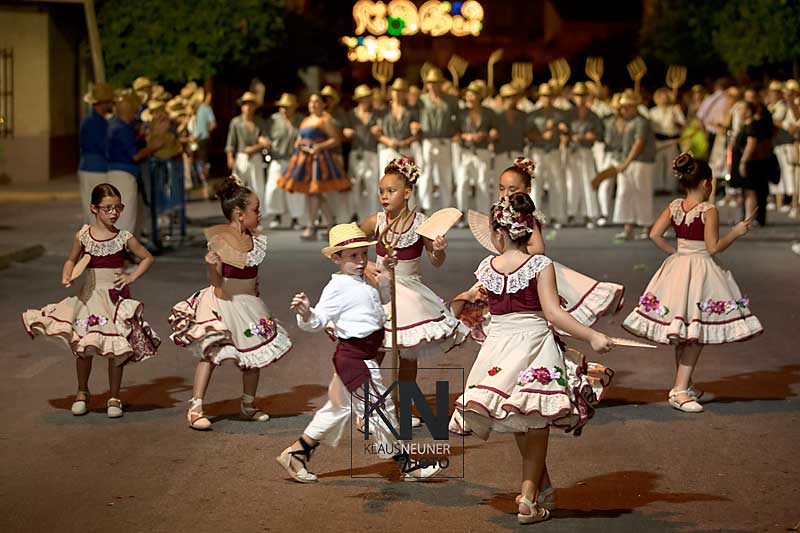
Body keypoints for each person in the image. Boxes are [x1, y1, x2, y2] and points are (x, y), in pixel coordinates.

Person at [450, 193, 614, 525]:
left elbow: (471, 305)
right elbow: (553, 313)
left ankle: (540, 487)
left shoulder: (487, 267)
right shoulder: (540, 265)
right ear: (528, 230)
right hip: (535, 344)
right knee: (534, 418)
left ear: (499, 233)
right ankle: (527, 498)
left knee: (518, 410)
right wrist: (592, 335)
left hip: (498, 346)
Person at [276, 223, 441, 483]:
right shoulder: (337, 287)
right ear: (336, 258)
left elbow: (380, 305)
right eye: (353, 256)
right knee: (381, 409)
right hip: (354, 360)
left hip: (363, 358)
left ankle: (296, 454)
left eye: (364, 254)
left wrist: (385, 274)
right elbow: (318, 320)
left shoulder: (362, 280)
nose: (361, 260)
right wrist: (306, 313)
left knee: (336, 410)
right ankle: (407, 465)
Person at [623, 154, 763, 412]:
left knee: (684, 330)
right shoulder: (709, 210)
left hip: (678, 268)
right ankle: (679, 390)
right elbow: (713, 247)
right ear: (707, 183)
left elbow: (654, 234)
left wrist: (676, 254)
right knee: (694, 333)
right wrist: (737, 232)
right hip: (700, 270)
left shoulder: (675, 205)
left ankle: (684, 384)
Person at [22, 183, 159, 418]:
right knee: (84, 348)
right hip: (89, 298)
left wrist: (130, 276)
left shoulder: (123, 237)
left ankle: (114, 396)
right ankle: (82, 392)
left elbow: (147, 257)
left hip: (114, 300)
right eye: (108, 208)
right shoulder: (83, 236)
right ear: (94, 208)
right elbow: (71, 259)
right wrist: (67, 273)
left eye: (118, 208)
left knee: (116, 348)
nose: (114, 213)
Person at [169, 177, 292, 430]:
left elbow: (253, 275)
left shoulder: (255, 240)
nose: (260, 214)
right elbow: (216, 281)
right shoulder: (221, 241)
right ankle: (195, 407)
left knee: (253, 355)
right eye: (256, 210)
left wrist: (256, 292)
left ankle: (248, 404)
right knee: (212, 353)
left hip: (248, 303)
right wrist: (210, 266)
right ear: (239, 214)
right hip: (223, 300)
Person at [361, 158, 469, 425]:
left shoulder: (422, 223)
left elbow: (436, 261)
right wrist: (366, 266)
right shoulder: (376, 221)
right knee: (375, 353)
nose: (384, 196)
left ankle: (402, 407)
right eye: (382, 191)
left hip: (410, 294)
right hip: (381, 292)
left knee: (408, 355)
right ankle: (368, 408)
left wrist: (439, 250)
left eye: (391, 191)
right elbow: (349, 245)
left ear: (407, 192)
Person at [278, 93, 351, 240]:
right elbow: (300, 137)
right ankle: (330, 225)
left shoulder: (325, 119)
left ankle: (312, 226)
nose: (313, 104)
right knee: (313, 193)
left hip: (319, 160)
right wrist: (299, 143)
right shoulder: (306, 120)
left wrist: (319, 146)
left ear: (323, 104)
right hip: (304, 158)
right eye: (311, 102)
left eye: (317, 102)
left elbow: (336, 139)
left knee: (314, 192)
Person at [108, 91, 161, 234]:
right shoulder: (123, 128)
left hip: (114, 172)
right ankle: (124, 246)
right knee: (126, 218)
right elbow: (135, 156)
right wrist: (152, 148)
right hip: (124, 175)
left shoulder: (113, 123)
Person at [613, 91, 657, 240]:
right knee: (625, 193)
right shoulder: (627, 122)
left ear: (634, 107)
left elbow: (639, 143)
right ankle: (628, 228)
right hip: (629, 161)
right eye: (622, 107)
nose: (624, 110)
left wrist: (626, 162)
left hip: (641, 162)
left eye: (627, 107)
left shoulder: (641, 121)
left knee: (642, 193)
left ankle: (646, 227)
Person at [418, 67, 460, 212]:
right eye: (431, 83)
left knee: (445, 174)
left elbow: (459, 117)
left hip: (444, 140)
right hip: (427, 140)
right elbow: (414, 117)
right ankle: (426, 207)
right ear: (427, 84)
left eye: (436, 82)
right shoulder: (421, 100)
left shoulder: (451, 100)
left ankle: (446, 208)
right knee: (426, 173)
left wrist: (456, 131)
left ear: (441, 84)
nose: (434, 85)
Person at [564, 82, 603, 227]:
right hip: (572, 151)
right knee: (572, 183)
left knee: (588, 182)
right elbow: (562, 130)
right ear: (574, 97)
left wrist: (588, 136)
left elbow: (599, 134)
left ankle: (590, 214)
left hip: (586, 151)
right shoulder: (568, 114)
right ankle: (571, 213)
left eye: (583, 95)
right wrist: (568, 135)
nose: (580, 98)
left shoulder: (593, 115)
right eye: (578, 95)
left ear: (587, 97)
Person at [528, 83, 567, 227]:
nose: (547, 98)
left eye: (550, 96)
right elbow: (527, 134)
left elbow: (566, 130)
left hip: (553, 151)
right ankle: (535, 218)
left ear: (554, 97)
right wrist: (541, 136)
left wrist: (560, 128)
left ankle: (558, 216)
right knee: (536, 185)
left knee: (556, 184)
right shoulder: (533, 114)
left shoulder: (560, 114)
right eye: (544, 96)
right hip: (537, 152)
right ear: (540, 97)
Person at [225, 91, 270, 218]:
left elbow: (266, 141)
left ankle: (257, 214)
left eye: (251, 104)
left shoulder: (259, 122)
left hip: (255, 157)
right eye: (245, 104)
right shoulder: (236, 122)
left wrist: (256, 146)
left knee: (257, 187)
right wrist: (230, 157)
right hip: (241, 156)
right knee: (238, 187)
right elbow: (231, 142)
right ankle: (237, 213)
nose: (248, 107)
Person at [731, 101, 776, 227]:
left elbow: (751, 143)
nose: (739, 112)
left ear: (748, 111)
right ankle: (748, 217)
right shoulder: (746, 125)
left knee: (751, 191)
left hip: (751, 163)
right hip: (747, 162)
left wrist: (743, 161)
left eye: (741, 109)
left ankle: (749, 218)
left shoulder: (752, 125)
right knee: (747, 192)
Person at [455, 81, 495, 216]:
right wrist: (466, 136)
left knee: (483, 183)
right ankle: (461, 214)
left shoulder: (488, 113)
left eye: (472, 94)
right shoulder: (461, 113)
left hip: (482, 151)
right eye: (467, 94)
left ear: (479, 97)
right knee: (462, 182)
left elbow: (494, 130)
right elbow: (454, 133)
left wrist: (486, 134)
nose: (469, 97)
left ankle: (482, 214)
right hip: (465, 151)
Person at [264, 93, 303, 229]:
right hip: (277, 158)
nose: (284, 110)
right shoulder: (273, 120)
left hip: (294, 159)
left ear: (294, 107)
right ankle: (277, 215)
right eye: (282, 107)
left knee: (294, 189)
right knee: (274, 187)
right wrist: (266, 142)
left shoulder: (300, 120)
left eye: (288, 107)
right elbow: (264, 135)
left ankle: (295, 218)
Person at [343, 85, 381, 222]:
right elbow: (344, 130)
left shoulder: (377, 114)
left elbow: (383, 128)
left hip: (371, 152)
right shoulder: (351, 114)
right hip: (356, 152)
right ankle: (353, 214)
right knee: (354, 185)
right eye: (363, 98)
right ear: (358, 99)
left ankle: (373, 217)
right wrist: (346, 132)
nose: (366, 100)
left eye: (367, 97)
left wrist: (379, 130)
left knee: (372, 185)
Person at [79, 83, 114, 223]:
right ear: (103, 103)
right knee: (95, 211)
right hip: (94, 168)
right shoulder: (93, 122)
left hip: (94, 167)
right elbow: (104, 146)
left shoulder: (98, 120)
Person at [649, 88, 685, 193]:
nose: (663, 99)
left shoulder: (674, 110)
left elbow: (683, 124)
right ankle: (658, 187)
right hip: (658, 140)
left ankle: (670, 187)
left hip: (671, 140)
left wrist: (675, 120)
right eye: (661, 97)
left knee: (671, 164)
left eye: (665, 97)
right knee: (657, 164)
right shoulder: (653, 112)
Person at [188, 87, 217, 197]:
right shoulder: (206, 108)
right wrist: (206, 131)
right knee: (203, 163)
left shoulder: (193, 109)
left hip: (192, 140)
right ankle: (205, 186)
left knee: (197, 163)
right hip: (202, 139)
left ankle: (203, 185)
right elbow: (213, 124)